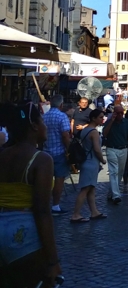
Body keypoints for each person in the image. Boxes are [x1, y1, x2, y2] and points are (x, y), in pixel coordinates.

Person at [0, 102, 62, 288]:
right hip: (24, 231)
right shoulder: (41, 159)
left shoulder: (3, 155)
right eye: (42, 121)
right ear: (34, 126)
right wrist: (53, 260)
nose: (45, 126)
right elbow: (42, 211)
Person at [70, 108, 106, 224]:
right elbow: (97, 149)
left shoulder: (85, 130)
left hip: (86, 161)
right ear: (93, 118)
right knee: (85, 189)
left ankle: (94, 211)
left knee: (91, 188)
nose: (102, 119)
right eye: (100, 117)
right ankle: (76, 214)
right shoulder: (94, 132)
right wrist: (103, 160)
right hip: (91, 162)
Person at [41, 95, 71, 215]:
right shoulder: (62, 116)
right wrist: (68, 149)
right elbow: (65, 135)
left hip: (46, 152)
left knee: (46, 180)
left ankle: (44, 204)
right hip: (59, 152)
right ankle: (55, 205)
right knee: (59, 179)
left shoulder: (44, 116)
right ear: (61, 105)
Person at [102, 105, 128, 204]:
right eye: (118, 113)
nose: (120, 115)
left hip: (123, 149)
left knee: (120, 172)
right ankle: (116, 195)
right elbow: (104, 134)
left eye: (122, 113)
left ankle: (112, 192)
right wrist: (112, 121)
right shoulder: (109, 122)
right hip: (111, 149)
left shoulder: (126, 122)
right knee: (113, 171)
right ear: (114, 113)